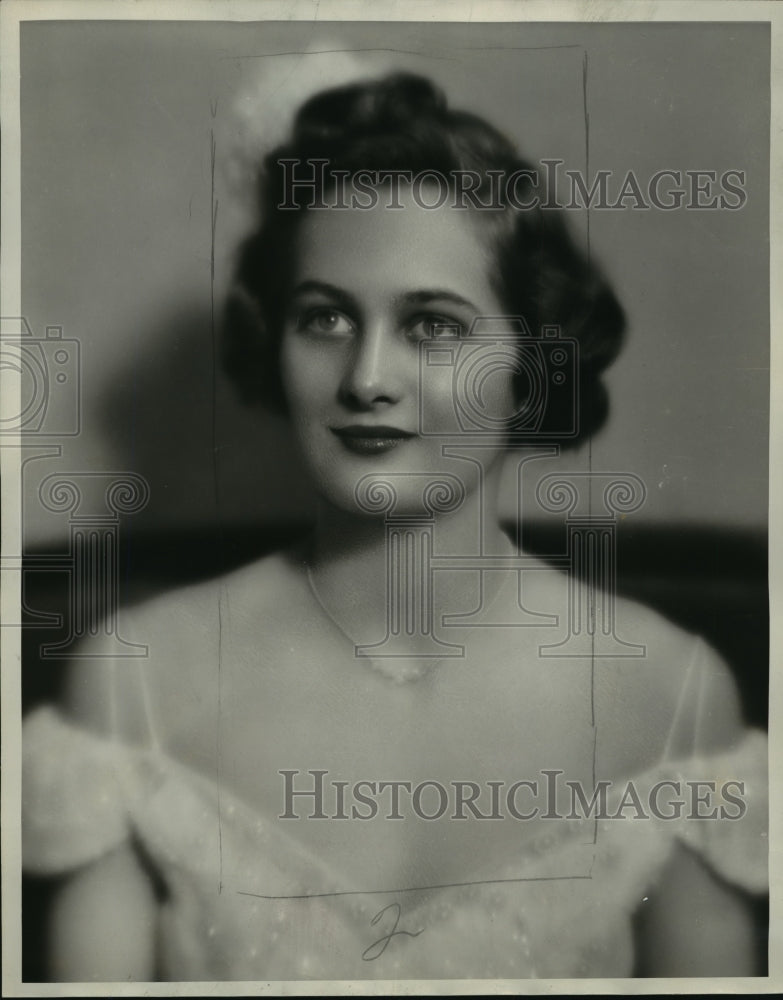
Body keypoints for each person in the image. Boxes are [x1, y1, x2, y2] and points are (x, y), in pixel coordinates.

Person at [22, 71, 767, 981]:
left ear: (531, 363)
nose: (366, 376)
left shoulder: (670, 694)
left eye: (433, 326)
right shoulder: (132, 682)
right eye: (325, 317)